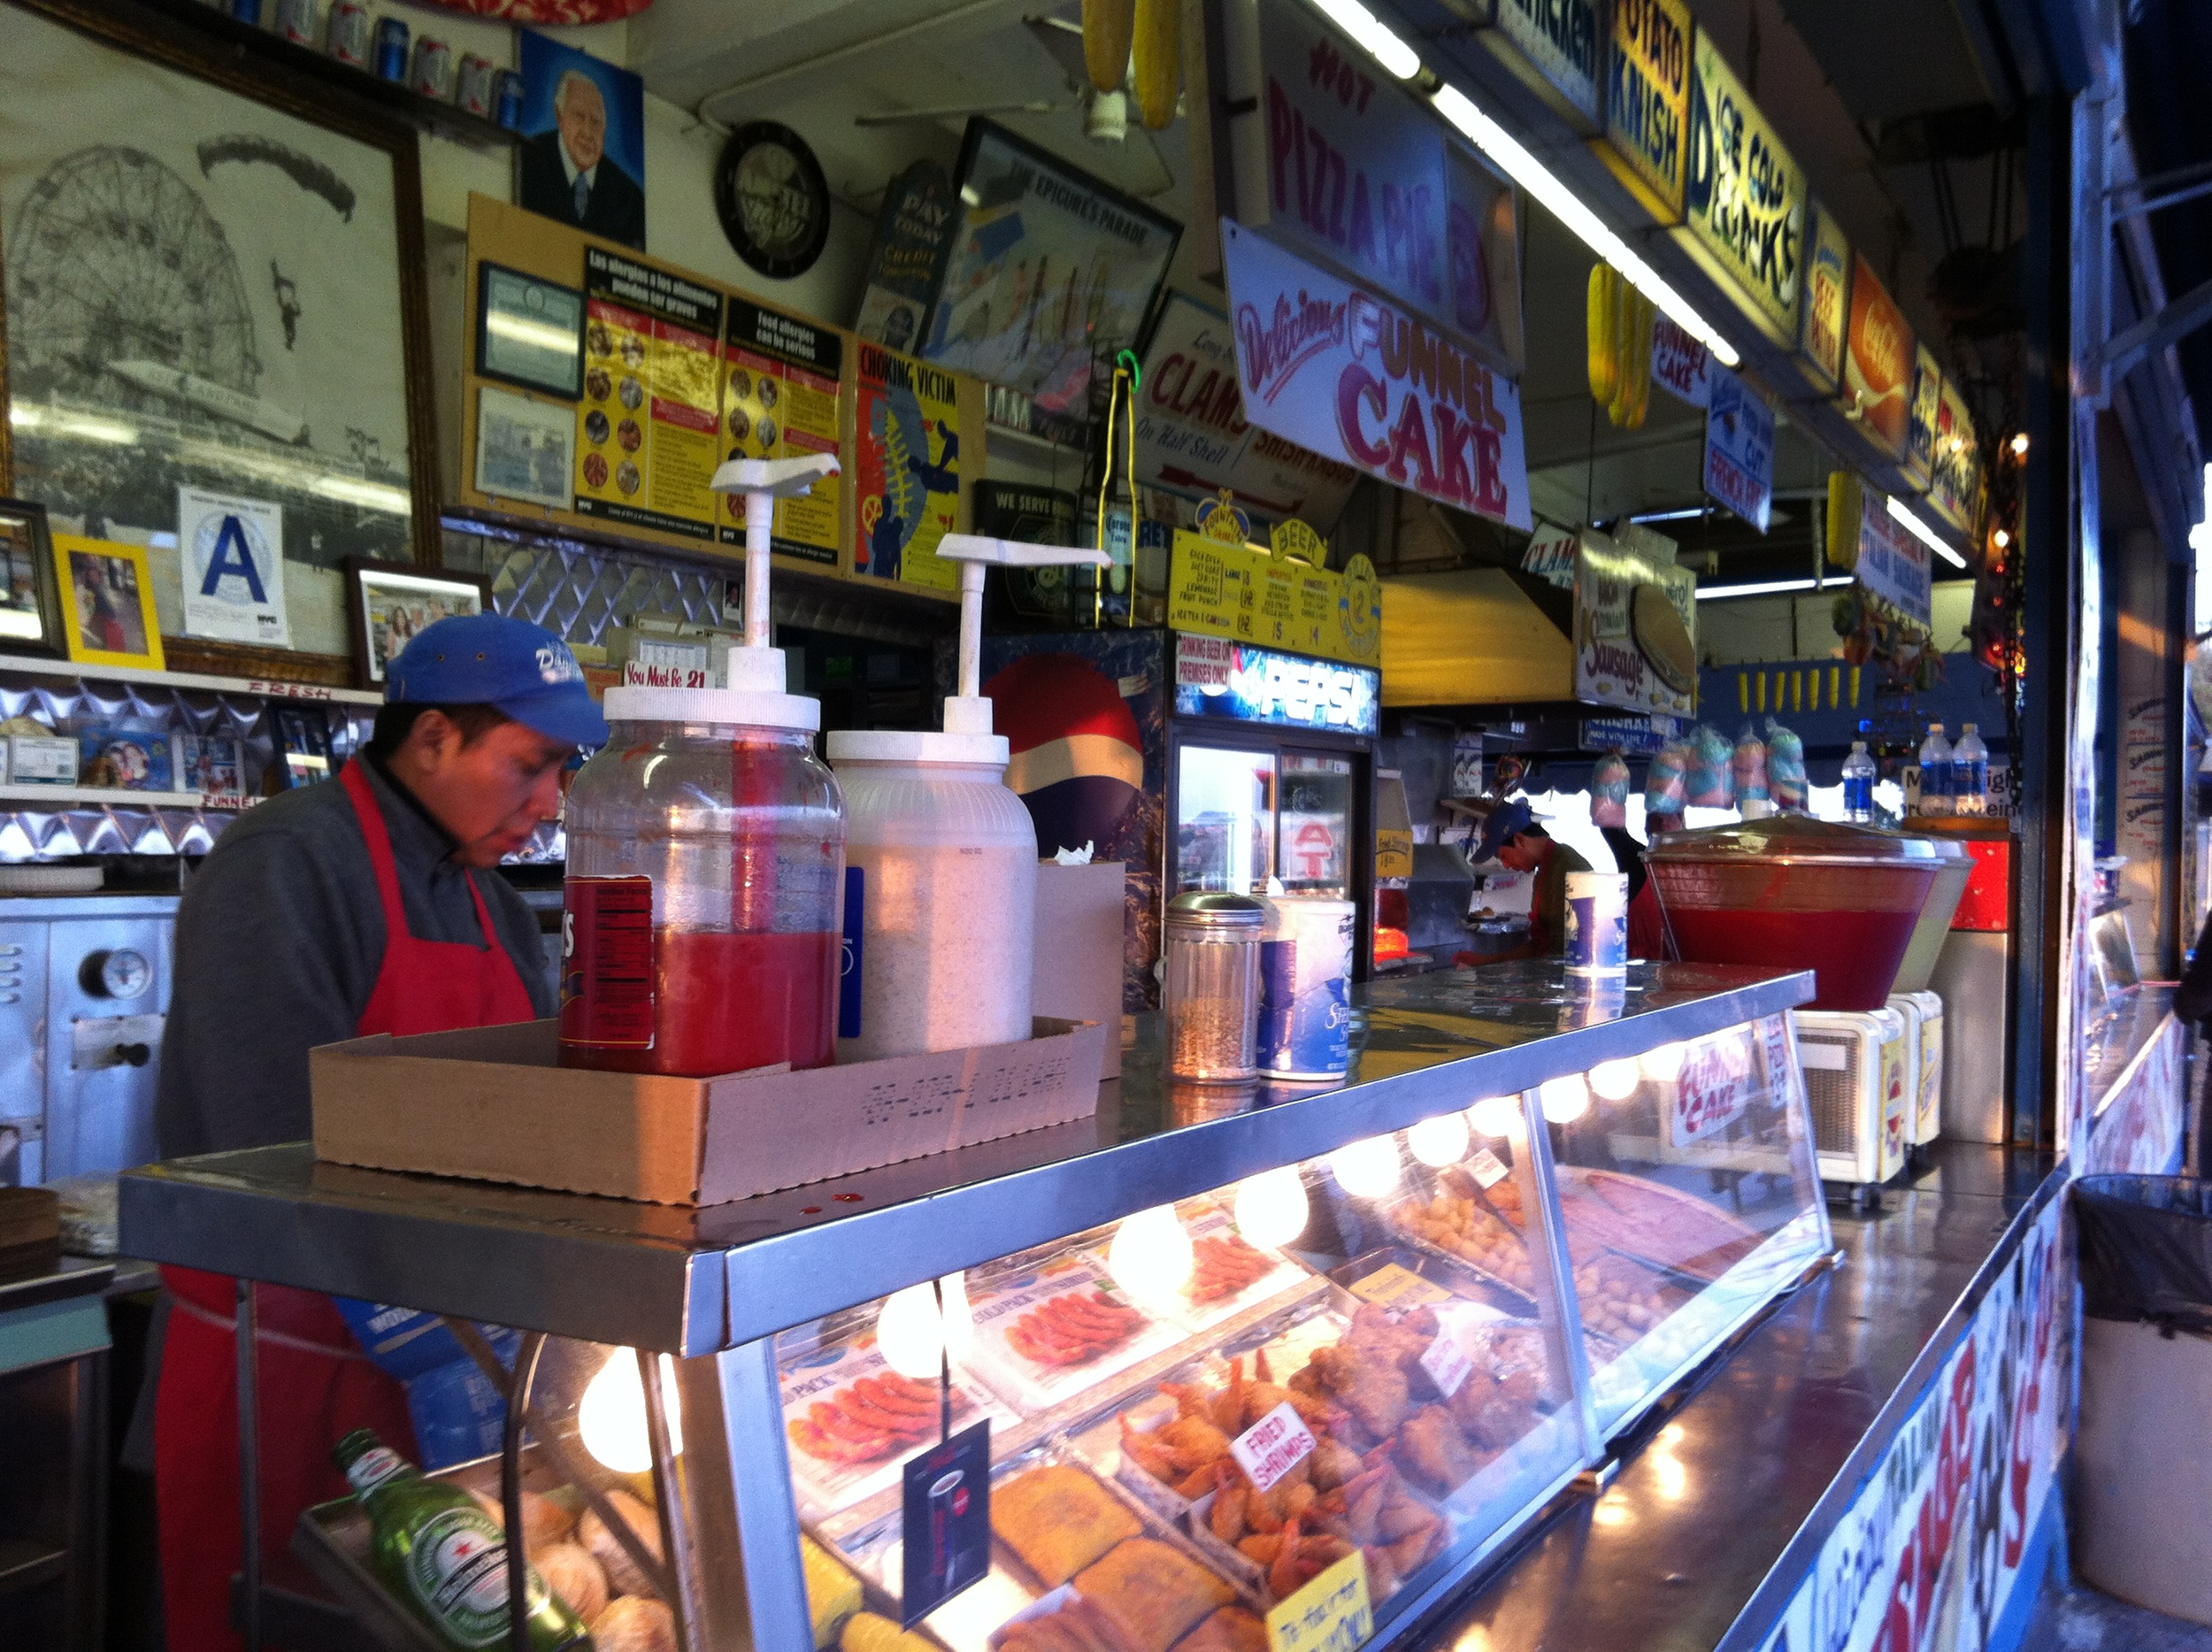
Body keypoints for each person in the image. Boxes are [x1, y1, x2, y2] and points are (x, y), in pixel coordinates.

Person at [149, 614, 608, 1652]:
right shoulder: (285, 864)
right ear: (434, 737)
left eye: (563, 771)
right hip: (286, 1365)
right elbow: (273, 1139)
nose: (550, 805)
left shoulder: (492, 899)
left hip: (449, 1369)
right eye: (531, 765)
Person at [518, 67, 646, 250]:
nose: (588, 132)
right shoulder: (528, 159)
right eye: (578, 116)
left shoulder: (630, 198)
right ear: (559, 115)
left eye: (596, 122)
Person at [1463, 798, 1591, 963]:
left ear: (1519, 840)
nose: (1507, 865)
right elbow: (1538, 945)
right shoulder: (1544, 869)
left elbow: (1565, 951)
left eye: (1504, 856)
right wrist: (1486, 961)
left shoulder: (1568, 868)